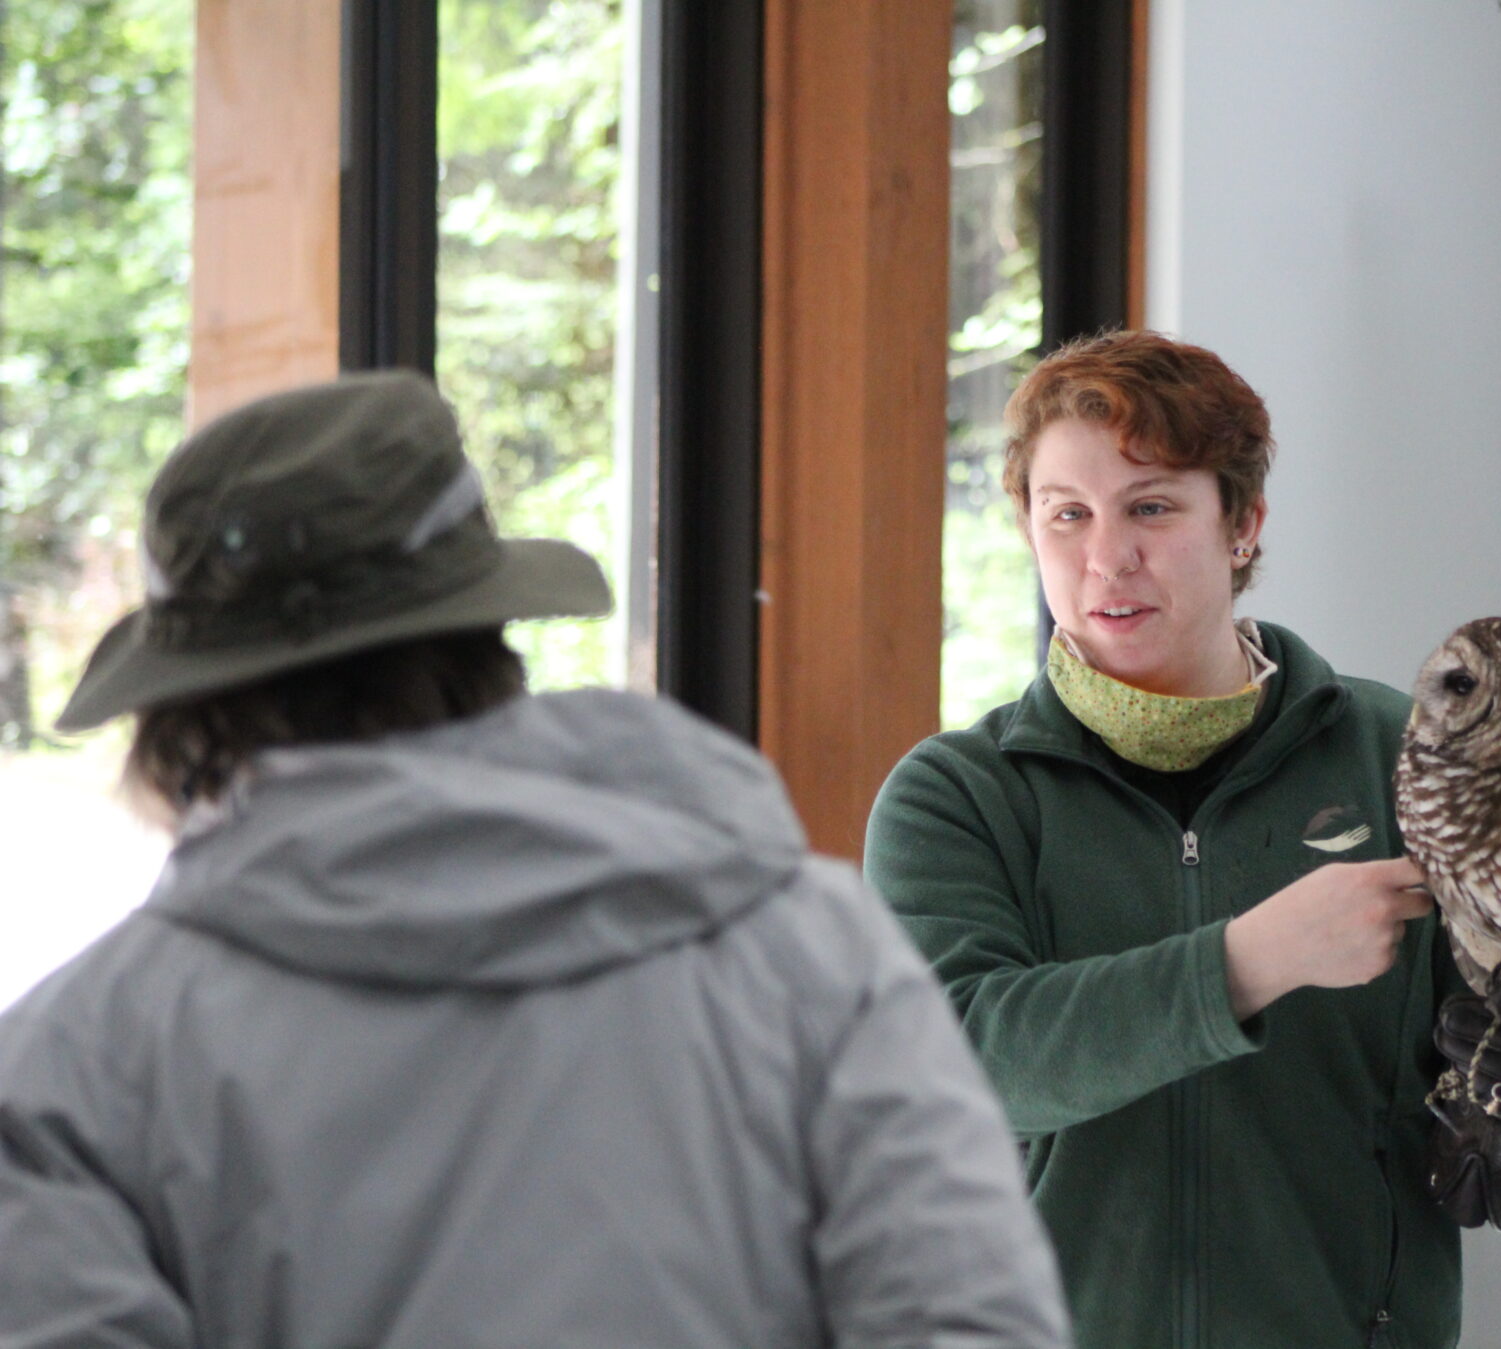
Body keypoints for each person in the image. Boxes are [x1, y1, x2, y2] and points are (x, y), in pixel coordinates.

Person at [0, 371, 1070, 1349]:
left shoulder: (80, 1062)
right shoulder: (808, 949)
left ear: (183, 714)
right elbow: (970, 1325)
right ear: (493, 637)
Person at [865, 331, 1501, 1347]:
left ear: (1242, 522)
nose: (1105, 557)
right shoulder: (955, 797)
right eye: (1067, 516)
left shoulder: (1419, 764)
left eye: (1151, 506)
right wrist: (1250, 959)